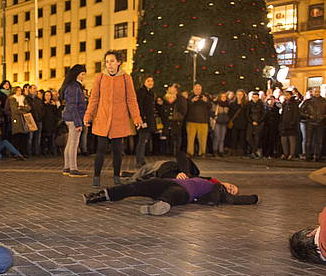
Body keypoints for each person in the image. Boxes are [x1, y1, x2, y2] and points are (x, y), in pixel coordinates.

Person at [84, 51, 142, 187]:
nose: (109, 64)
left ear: (118, 62)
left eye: (112, 61)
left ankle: (116, 176)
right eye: (107, 61)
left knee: (117, 150)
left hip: (119, 120)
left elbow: (131, 100)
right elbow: (94, 98)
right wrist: (88, 115)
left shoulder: (126, 78)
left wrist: (136, 118)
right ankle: (96, 177)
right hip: (102, 119)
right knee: (101, 149)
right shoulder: (100, 77)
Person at [83, 176, 258, 215]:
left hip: (184, 193)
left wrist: (253, 198)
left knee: (173, 194)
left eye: (232, 190)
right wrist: (182, 171)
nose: (230, 188)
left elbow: (235, 200)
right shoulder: (209, 179)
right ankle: (100, 195)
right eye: (232, 186)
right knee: (137, 186)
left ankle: (159, 206)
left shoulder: (217, 191)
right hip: (169, 181)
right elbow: (183, 157)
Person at [60, 64, 88, 177]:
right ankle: (73, 168)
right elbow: (73, 105)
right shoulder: (74, 87)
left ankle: (67, 167)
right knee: (74, 143)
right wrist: (78, 123)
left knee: (70, 142)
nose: (83, 77)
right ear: (76, 74)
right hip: (74, 118)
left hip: (70, 117)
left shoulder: (71, 86)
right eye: (82, 74)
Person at [121, 151, 200, 182]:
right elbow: (181, 154)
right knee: (139, 174)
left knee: (143, 175)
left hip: (162, 171)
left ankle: (126, 174)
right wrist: (183, 173)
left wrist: (178, 175)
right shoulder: (193, 171)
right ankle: (126, 174)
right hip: (162, 166)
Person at [299, 86, 326, 161]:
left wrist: (323, 116)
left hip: (320, 123)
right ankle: (308, 155)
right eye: (315, 91)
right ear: (312, 92)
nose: (317, 93)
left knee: (319, 140)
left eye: (318, 91)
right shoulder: (308, 101)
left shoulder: (324, 101)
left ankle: (317, 156)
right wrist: (309, 116)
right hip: (310, 123)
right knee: (308, 140)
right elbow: (300, 111)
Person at [135, 76, 157, 167]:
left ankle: (141, 159)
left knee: (145, 140)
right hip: (144, 120)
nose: (150, 82)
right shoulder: (141, 92)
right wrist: (142, 119)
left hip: (149, 119)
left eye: (152, 81)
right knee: (142, 140)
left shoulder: (150, 92)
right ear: (144, 82)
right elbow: (139, 106)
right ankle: (139, 160)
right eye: (148, 81)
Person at [185, 83, 212, 157]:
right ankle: (190, 152)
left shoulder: (205, 97)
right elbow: (185, 107)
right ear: (193, 89)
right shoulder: (189, 97)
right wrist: (192, 101)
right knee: (190, 139)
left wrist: (206, 101)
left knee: (203, 139)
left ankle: (202, 152)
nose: (197, 90)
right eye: (196, 89)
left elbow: (210, 106)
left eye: (199, 89)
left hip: (203, 122)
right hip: (191, 121)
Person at [8, 86, 30, 155]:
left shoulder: (23, 98)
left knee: (24, 137)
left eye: (20, 90)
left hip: (24, 120)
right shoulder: (12, 99)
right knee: (17, 136)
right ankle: (15, 153)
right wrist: (24, 111)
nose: (19, 92)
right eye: (17, 90)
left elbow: (29, 108)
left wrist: (21, 107)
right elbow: (14, 110)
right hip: (16, 120)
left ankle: (23, 152)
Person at [279, 89, 300, 160]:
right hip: (284, 124)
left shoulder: (294, 103)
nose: (286, 96)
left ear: (291, 95)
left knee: (291, 139)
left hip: (291, 124)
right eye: (285, 95)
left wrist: (293, 122)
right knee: (284, 139)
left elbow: (296, 114)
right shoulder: (284, 103)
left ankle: (291, 154)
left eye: (288, 95)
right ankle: (285, 153)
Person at [246, 91, 266, 158]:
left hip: (259, 122)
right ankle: (256, 150)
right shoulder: (249, 104)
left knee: (257, 138)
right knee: (248, 137)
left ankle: (254, 152)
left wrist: (258, 121)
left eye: (256, 97)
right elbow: (247, 114)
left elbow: (263, 114)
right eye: (253, 97)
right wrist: (251, 121)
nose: (255, 98)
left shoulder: (261, 104)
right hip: (251, 122)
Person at [229, 89, 249, 156]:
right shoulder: (232, 104)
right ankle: (233, 151)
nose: (239, 96)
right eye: (238, 94)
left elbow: (247, 114)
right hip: (235, 123)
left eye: (241, 94)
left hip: (243, 123)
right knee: (233, 137)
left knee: (242, 138)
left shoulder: (246, 104)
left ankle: (241, 152)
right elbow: (230, 113)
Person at [212, 92, 231, 157]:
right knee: (217, 137)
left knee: (222, 138)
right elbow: (211, 112)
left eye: (224, 96)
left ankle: (221, 150)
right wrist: (214, 116)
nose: (223, 98)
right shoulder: (216, 104)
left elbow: (229, 113)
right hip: (217, 122)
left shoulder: (227, 105)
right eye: (222, 96)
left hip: (224, 122)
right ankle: (215, 150)